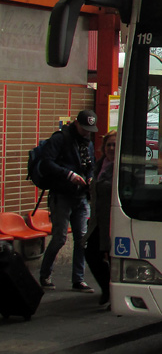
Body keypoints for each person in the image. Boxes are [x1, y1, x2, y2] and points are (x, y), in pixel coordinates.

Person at [38, 109, 97, 293]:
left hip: (80, 196)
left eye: (90, 129)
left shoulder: (88, 144)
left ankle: (78, 279)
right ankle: (45, 274)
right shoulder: (60, 139)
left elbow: (91, 165)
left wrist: (89, 177)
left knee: (81, 239)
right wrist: (69, 175)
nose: (87, 132)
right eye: (84, 128)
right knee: (60, 238)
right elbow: (47, 162)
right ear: (76, 123)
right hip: (62, 195)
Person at [86, 130, 116, 307]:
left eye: (114, 144)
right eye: (108, 145)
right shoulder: (99, 166)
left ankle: (115, 294)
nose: (111, 148)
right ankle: (107, 288)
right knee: (91, 253)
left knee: (114, 257)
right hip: (98, 219)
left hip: (113, 219)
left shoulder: (121, 167)